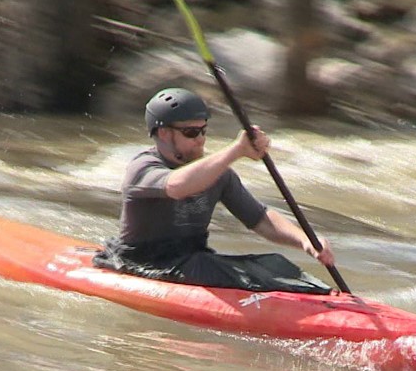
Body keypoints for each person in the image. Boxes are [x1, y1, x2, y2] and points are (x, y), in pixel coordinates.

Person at [93, 87, 336, 294]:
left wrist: (305, 240)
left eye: (203, 130)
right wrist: (235, 151)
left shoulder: (219, 174)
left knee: (275, 265)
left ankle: (328, 300)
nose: (200, 139)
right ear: (164, 133)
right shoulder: (142, 168)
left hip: (192, 259)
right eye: (191, 132)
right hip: (145, 263)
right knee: (221, 271)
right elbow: (177, 186)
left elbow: (260, 219)